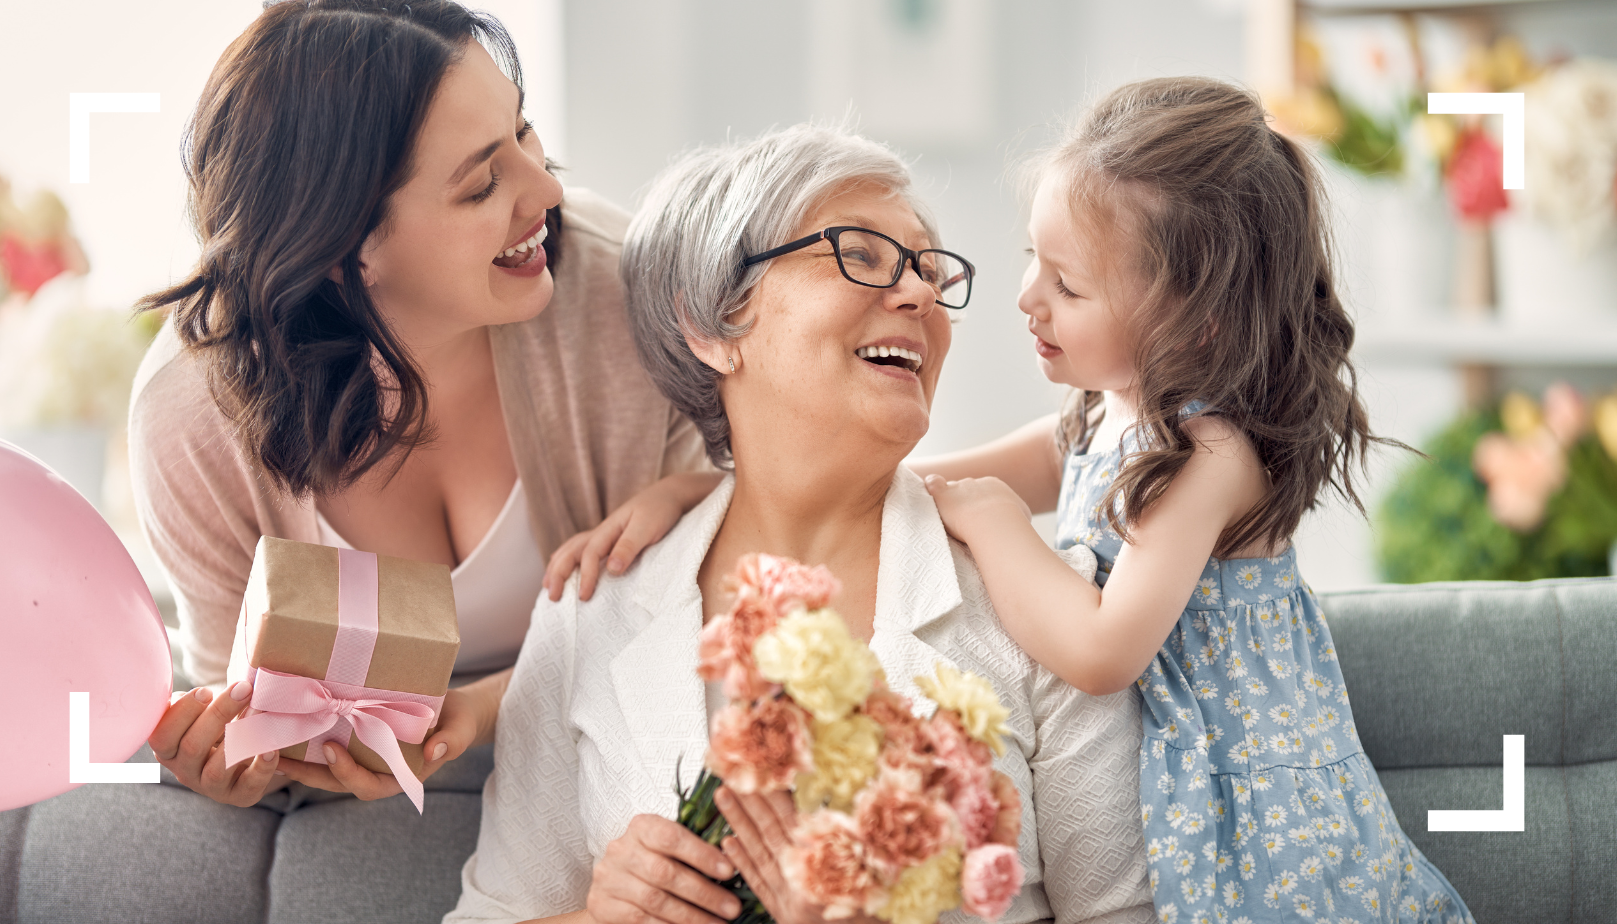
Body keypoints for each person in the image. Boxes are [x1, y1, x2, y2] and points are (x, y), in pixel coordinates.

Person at [446, 123, 1154, 924]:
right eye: (861, 254)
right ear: (709, 326)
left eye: (926, 266)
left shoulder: (1040, 610)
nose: (920, 293)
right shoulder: (591, 610)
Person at [130, 0, 711, 809]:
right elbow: (243, 717)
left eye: (525, 131)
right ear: (341, 252)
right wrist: (238, 768)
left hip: (622, 778)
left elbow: (739, 589)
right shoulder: (193, 418)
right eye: (482, 184)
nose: (546, 186)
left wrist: (694, 491)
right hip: (366, 831)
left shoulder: (624, 296)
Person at [917, 78, 1473, 922]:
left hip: (1260, 823)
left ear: (1196, 321)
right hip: (1182, 788)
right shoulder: (1103, 413)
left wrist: (996, 522)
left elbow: (1105, 652)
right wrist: (729, 484)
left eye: (1068, 285)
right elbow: (930, 481)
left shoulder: (1207, 454)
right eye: (1034, 257)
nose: (1028, 296)